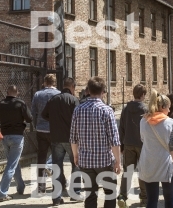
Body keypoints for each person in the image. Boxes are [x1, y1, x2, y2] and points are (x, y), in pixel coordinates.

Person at [70, 77, 121, 208]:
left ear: (88, 91)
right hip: (104, 160)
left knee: (90, 194)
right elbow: (114, 139)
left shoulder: (78, 110)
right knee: (110, 192)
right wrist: (118, 160)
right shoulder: (107, 110)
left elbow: (73, 137)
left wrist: (76, 155)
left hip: (86, 161)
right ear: (103, 91)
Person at [42, 77, 82, 205]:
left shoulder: (53, 100)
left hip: (56, 138)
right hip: (71, 138)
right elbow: (79, 117)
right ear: (72, 87)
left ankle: (56, 198)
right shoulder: (73, 100)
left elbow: (44, 114)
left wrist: (54, 121)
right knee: (76, 165)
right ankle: (75, 193)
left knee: (57, 167)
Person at [139, 89, 173, 208]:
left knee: (151, 200)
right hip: (165, 163)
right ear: (163, 107)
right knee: (170, 199)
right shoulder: (170, 123)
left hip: (148, 163)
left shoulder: (143, 121)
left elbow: (143, 139)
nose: (169, 110)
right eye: (168, 107)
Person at [0, 85, 32, 202]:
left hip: (4, 135)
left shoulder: (1, 103)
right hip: (17, 136)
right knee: (11, 165)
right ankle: (2, 193)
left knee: (13, 162)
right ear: (17, 92)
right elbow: (30, 118)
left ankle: (20, 186)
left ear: (7, 92)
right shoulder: (20, 103)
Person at [117, 84, 148, 207]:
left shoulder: (126, 108)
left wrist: (121, 145)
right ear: (143, 95)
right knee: (143, 171)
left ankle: (123, 196)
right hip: (142, 144)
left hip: (128, 143)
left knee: (127, 171)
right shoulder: (146, 109)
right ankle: (144, 198)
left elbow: (122, 127)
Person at [31, 73, 60, 194]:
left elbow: (33, 112)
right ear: (54, 82)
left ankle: (41, 187)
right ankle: (56, 186)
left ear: (44, 82)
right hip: (55, 129)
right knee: (57, 157)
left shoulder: (38, 94)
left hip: (41, 129)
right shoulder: (58, 94)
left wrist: (35, 125)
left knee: (41, 158)